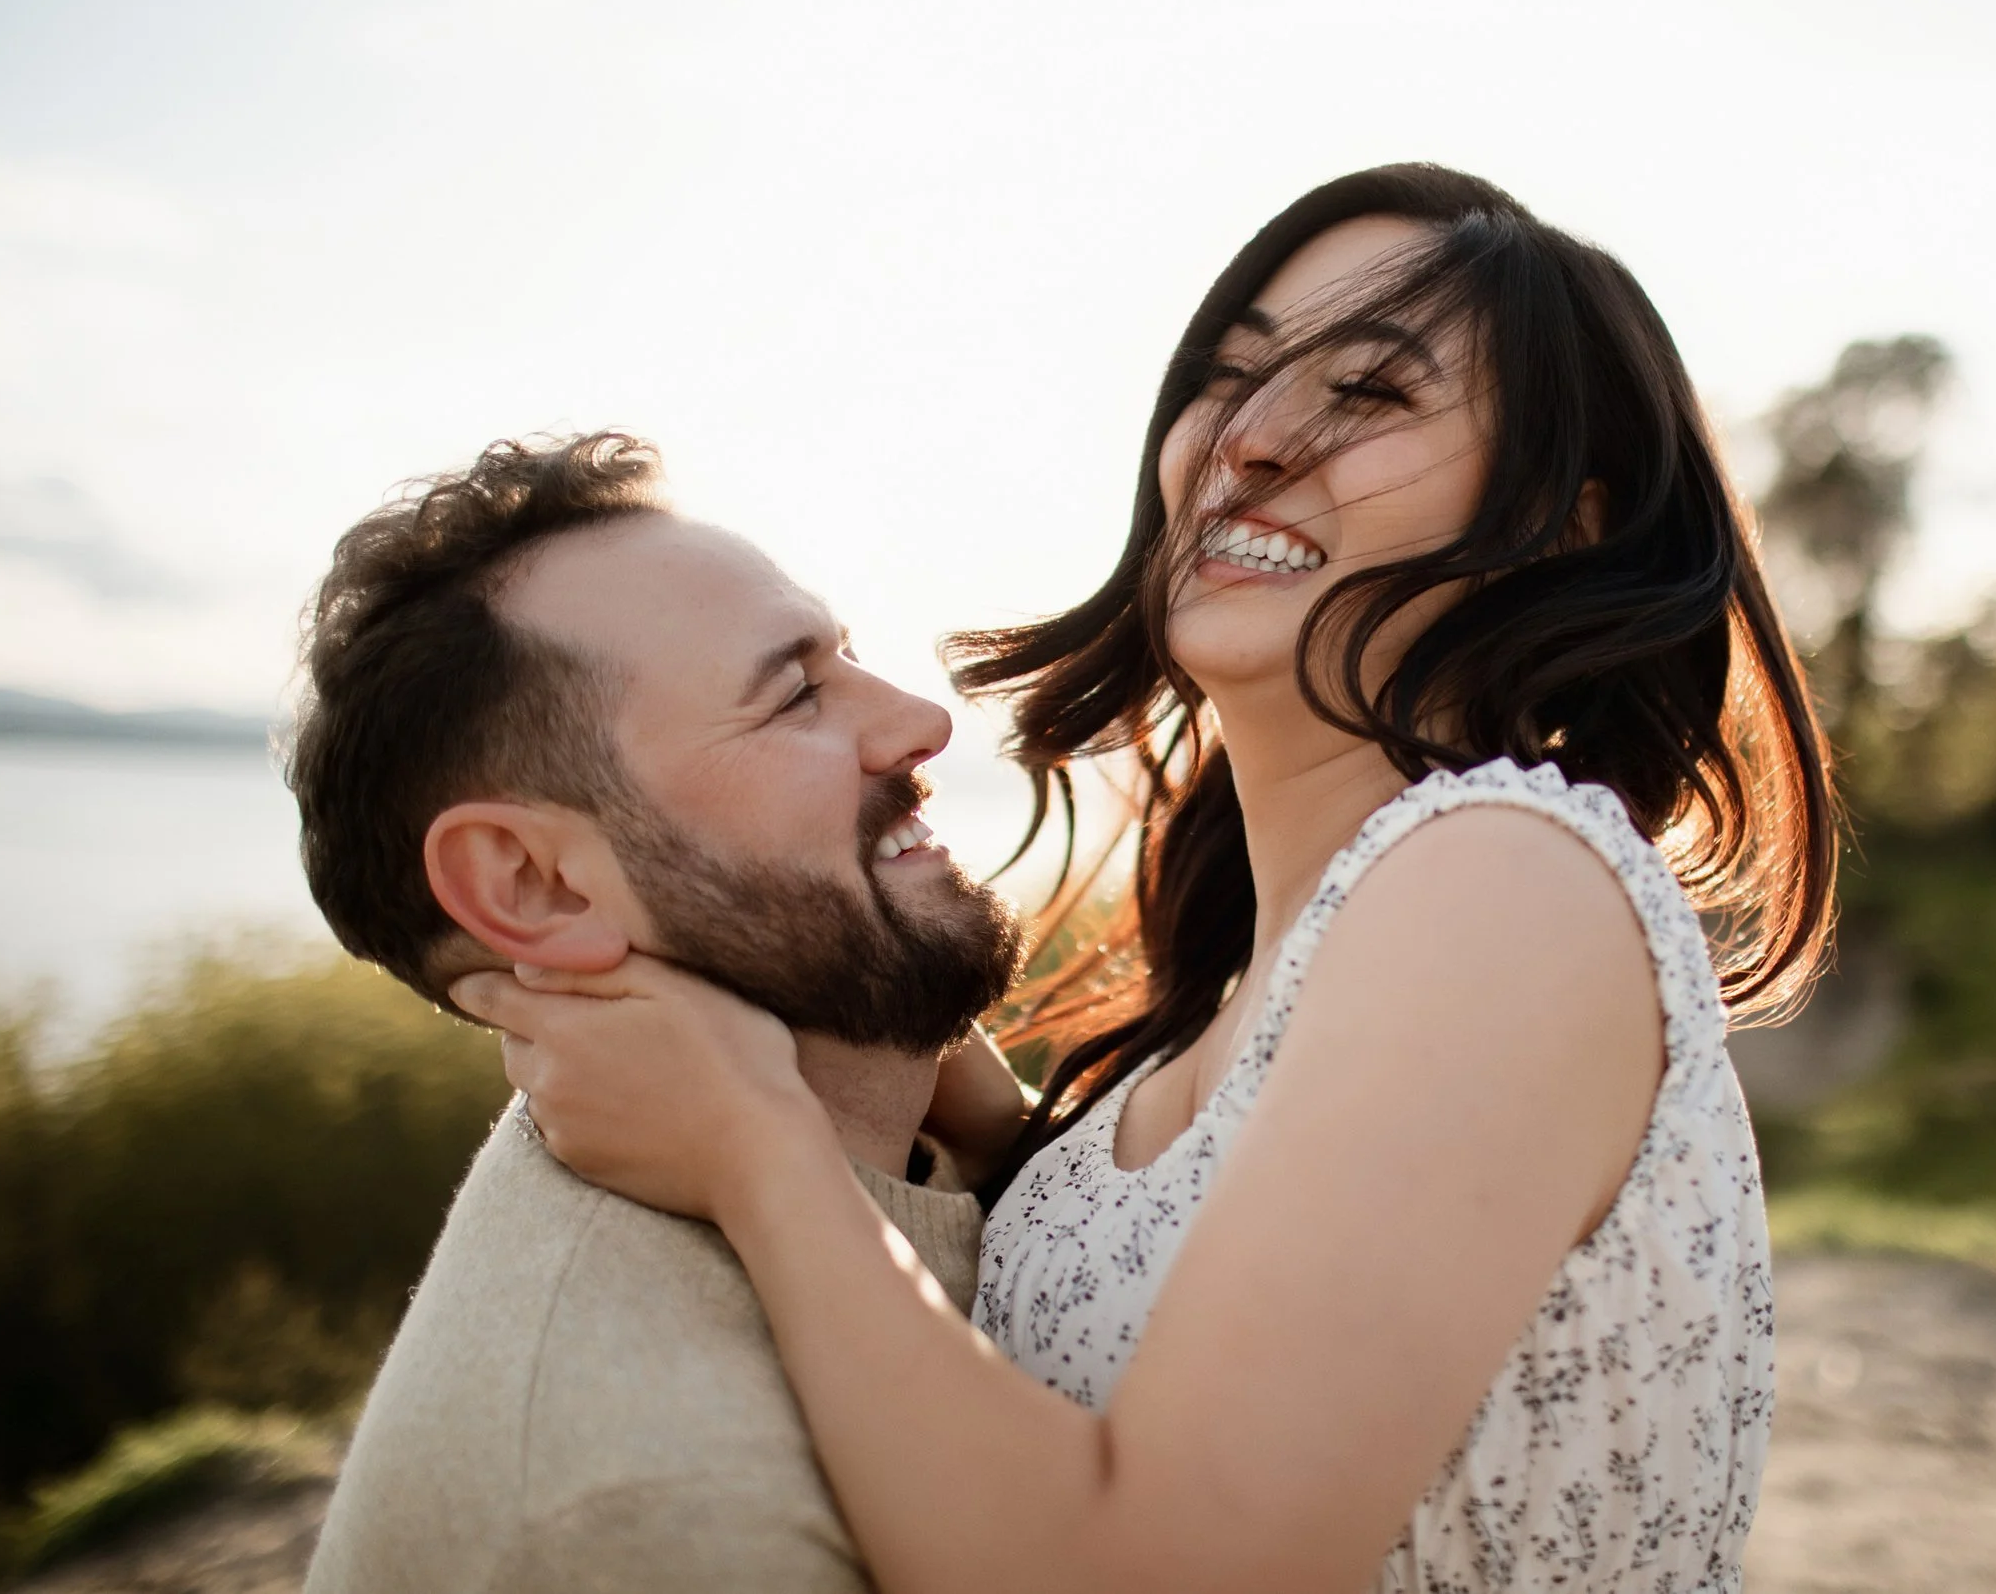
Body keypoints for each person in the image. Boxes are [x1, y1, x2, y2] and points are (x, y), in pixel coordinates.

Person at [457, 164, 1836, 1593]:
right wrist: (981, 1112)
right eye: (1232, 376)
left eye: (1366, 393)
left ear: (1573, 523)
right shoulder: (1279, 965)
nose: (1252, 440)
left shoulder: (1504, 880)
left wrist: (753, 1151)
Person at [287, 433, 1026, 1593]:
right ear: (536, 884)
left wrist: (1012, 1142)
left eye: (848, 656)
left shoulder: (921, 1147)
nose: (920, 721)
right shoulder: (661, 1518)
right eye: (792, 693)